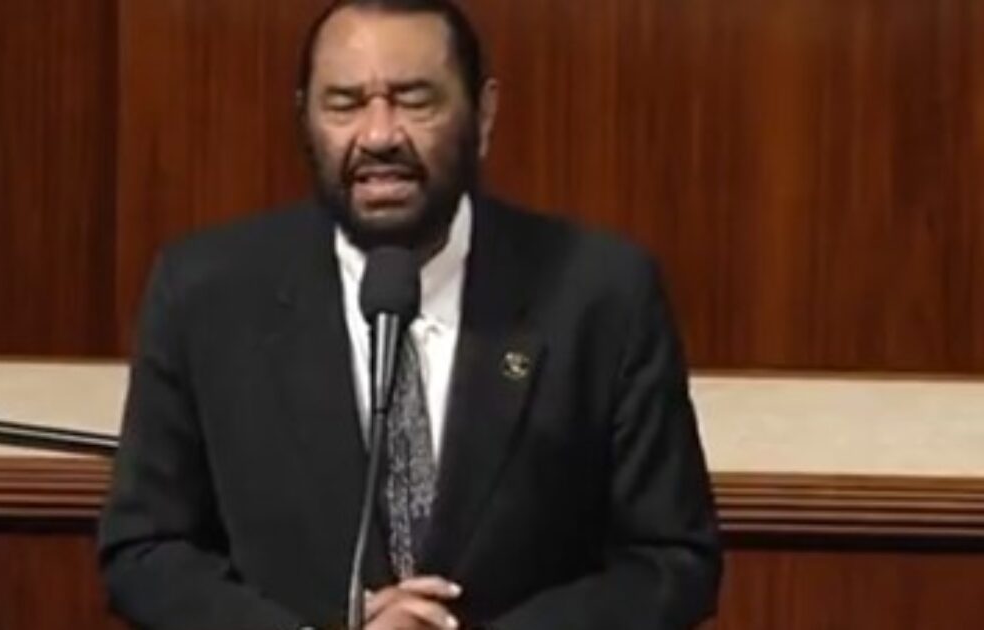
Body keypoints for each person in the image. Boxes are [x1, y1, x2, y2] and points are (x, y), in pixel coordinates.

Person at [98, 0, 723, 628]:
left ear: (483, 114)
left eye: (415, 100)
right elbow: (145, 549)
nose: (379, 136)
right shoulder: (206, 293)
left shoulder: (601, 294)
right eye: (344, 104)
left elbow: (672, 561)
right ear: (305, 120)